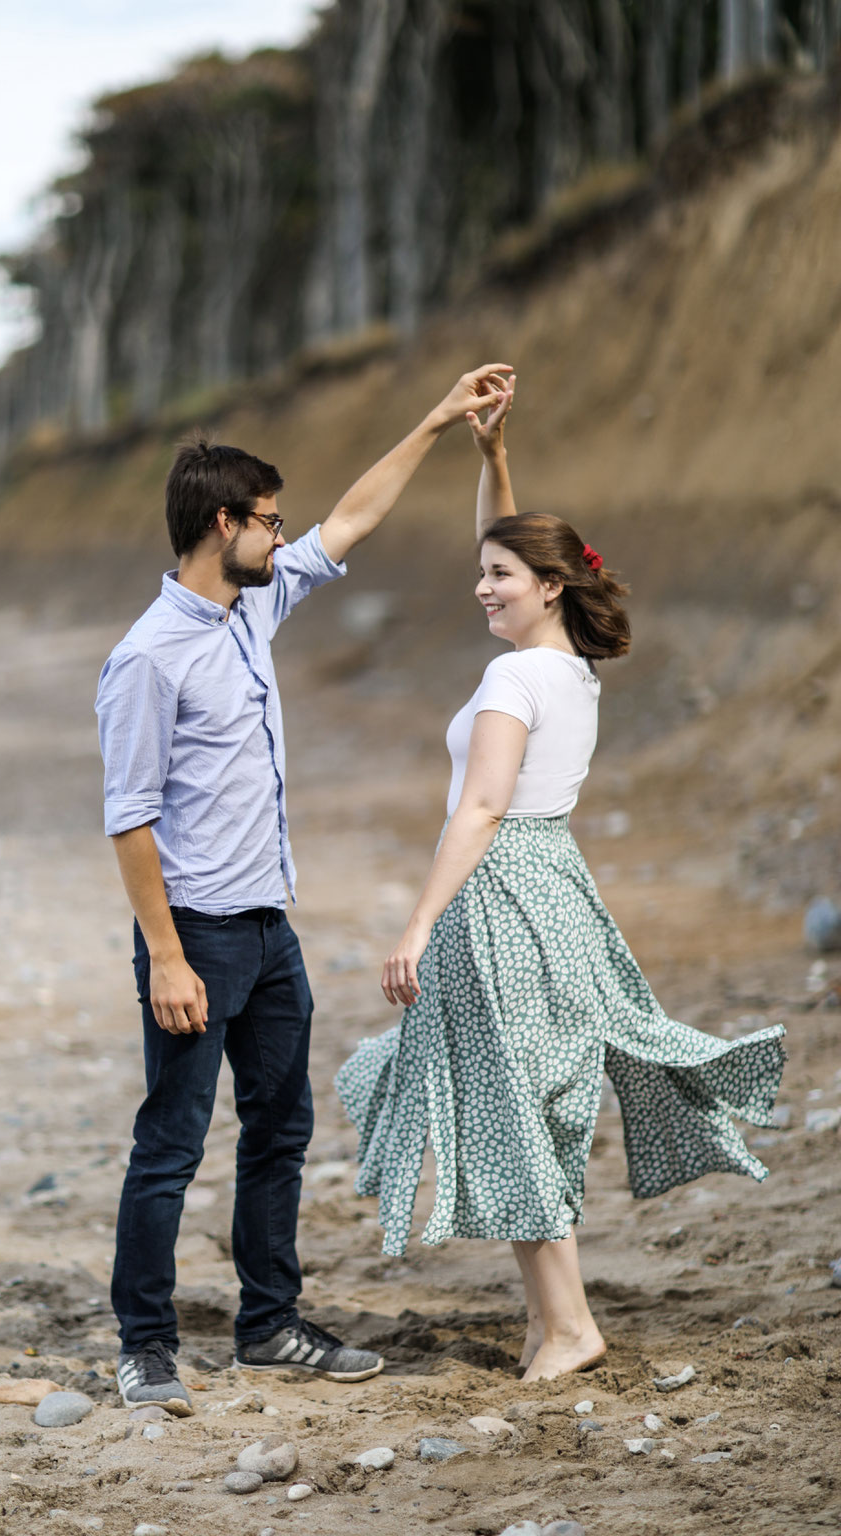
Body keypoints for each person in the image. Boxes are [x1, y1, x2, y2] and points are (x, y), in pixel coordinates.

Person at [335, 384, 787, 1384]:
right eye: (480, 574)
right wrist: (492, 460)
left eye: (496, 577)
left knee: (508, 1102)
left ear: (546, 584)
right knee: (518, 1102)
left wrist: (417, 921)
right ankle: (551, 1323)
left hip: (500, 892)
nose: (481, 589)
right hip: (556, 889)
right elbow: (517, 555)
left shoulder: (512, 680)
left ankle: (572, 1326)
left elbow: (483, 807)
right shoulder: (569, 665)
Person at [95, 364, 513, 1414]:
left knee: (280, 1130)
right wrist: (171, 958)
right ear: (221, 522)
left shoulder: (252, 606)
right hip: (193, 933)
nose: (285, 540)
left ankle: (268, 1325)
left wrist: (432, 419)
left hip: (268, 931)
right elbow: (128, 818)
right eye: (269, 524)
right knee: (171, 1144)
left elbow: (354, 521)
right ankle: (144, 1342)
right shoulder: (146, 659)